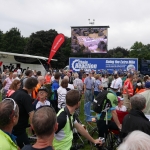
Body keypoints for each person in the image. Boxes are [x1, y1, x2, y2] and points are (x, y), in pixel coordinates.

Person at [10, 77, 38, 148]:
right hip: (19, 128)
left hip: (10, 125)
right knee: (26, 146)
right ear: (33, 87)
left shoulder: (16, 93)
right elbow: (31, 114)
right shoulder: (26, 97)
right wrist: (33, 128)